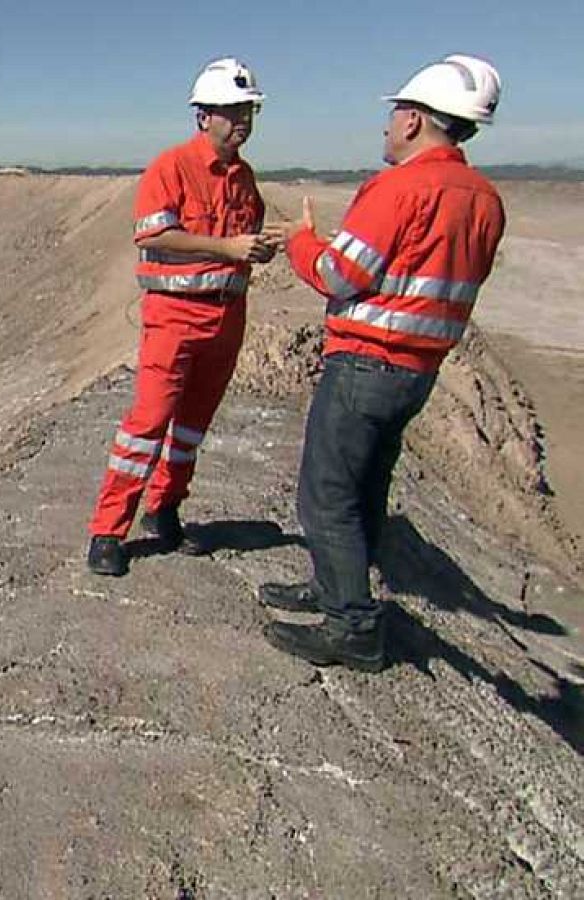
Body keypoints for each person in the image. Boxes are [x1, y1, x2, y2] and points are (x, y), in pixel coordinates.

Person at [261, 55, 506, 672]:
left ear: (418, 120)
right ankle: (334, 588)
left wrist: (302, 242)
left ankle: (352, 626)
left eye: (397, 112)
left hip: (368, 362)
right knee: (367, 483)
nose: (389, 124)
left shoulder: (400, 188)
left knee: (327, 493)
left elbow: (341, 274)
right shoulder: (483, 198)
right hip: (419, 371)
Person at [87, 58, 283, 577]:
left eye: (249, 111)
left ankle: (164, 507)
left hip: (226, 321)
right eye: (232, 111)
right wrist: (226, 246)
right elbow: (152, 234)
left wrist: (257, 250)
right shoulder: (171, 167)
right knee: (147, 425)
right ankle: (108, 531)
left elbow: (243, 238)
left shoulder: (245, 177)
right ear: (203, 117)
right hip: (174, 321)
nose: (242, 120)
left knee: (192, 427)